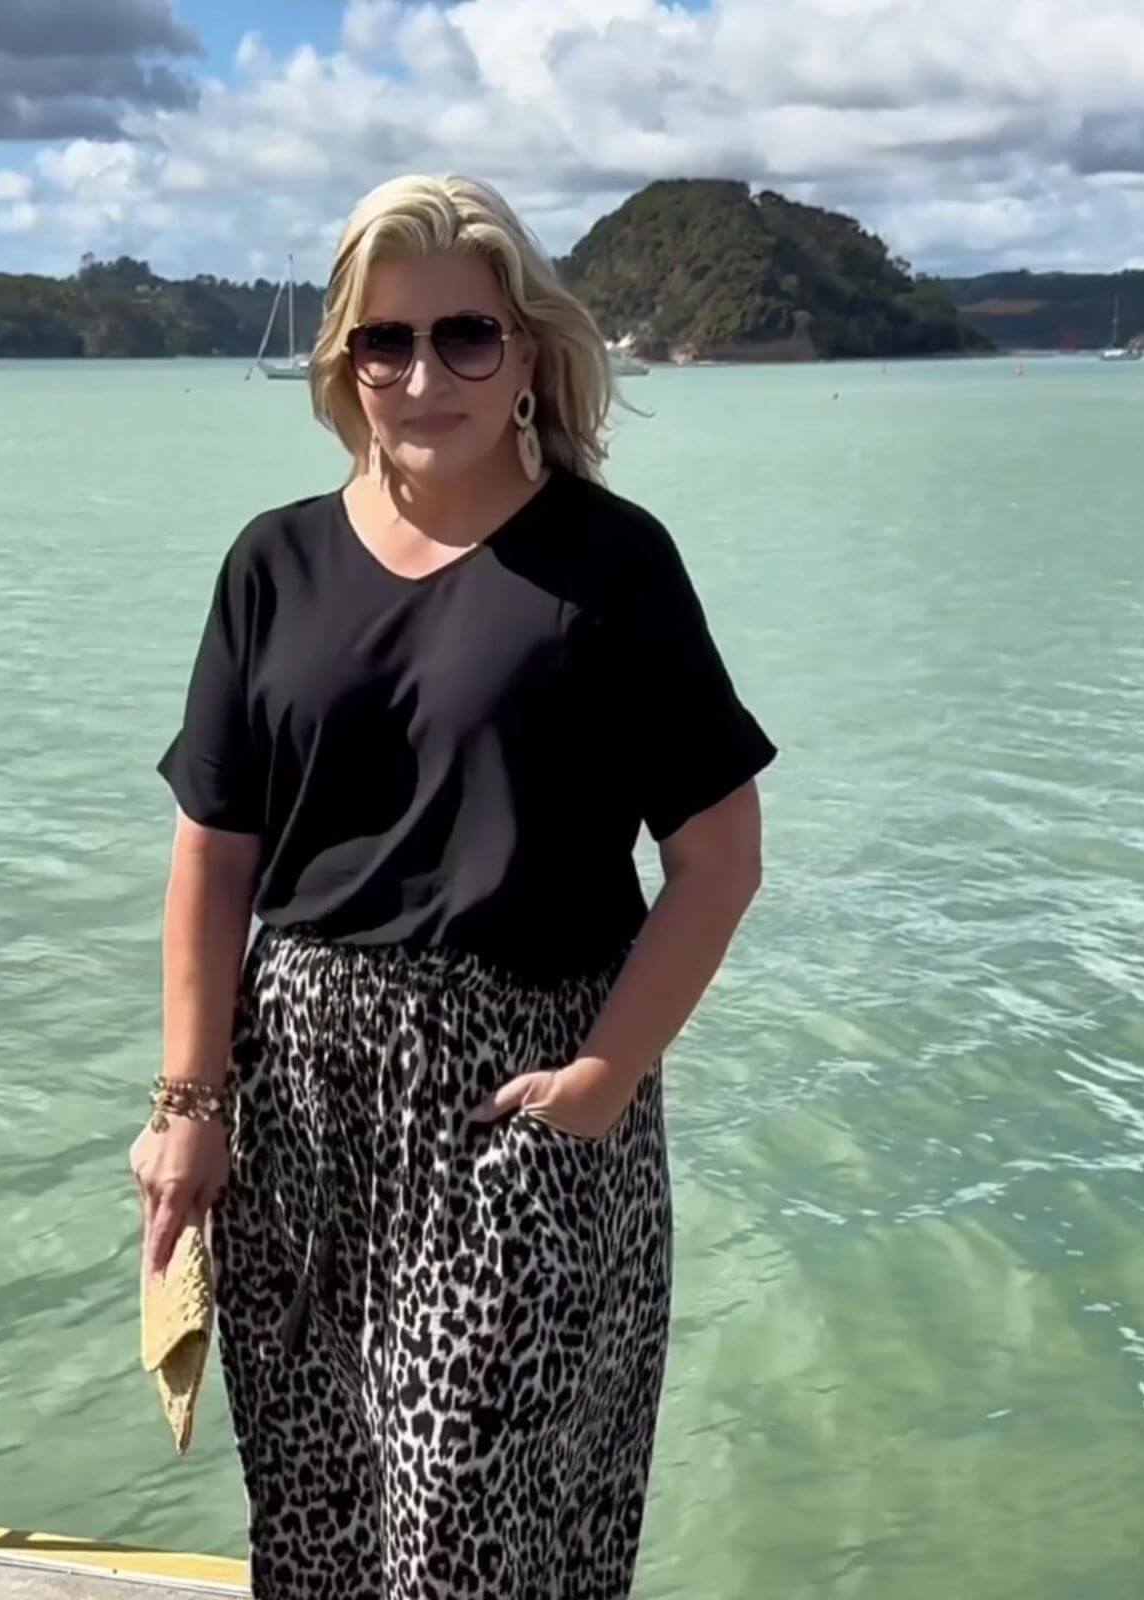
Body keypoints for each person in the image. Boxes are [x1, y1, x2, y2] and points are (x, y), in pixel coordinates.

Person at [130, 173, 777, 1600]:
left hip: (514, 1104)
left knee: (470, 1549)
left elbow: (720, 854)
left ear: (527, 351)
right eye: (387, 341)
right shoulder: (274, 563)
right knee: (315, 1529)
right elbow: (214, 852)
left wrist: (602, 1080)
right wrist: (188, 1105)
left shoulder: (611, 565)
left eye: (466, 336)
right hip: (298, 1109)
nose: (425, 377)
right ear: (344, 362)